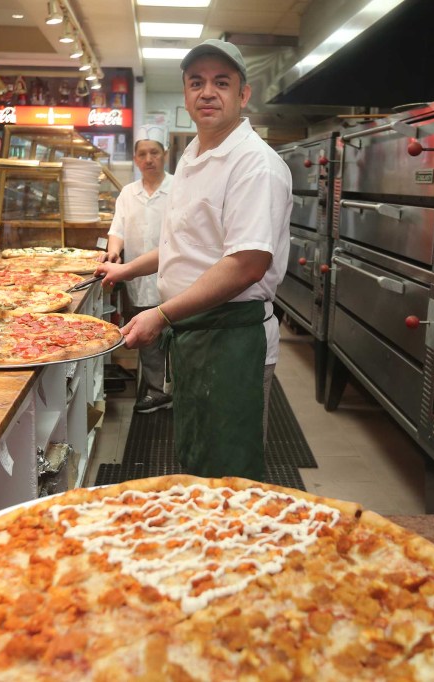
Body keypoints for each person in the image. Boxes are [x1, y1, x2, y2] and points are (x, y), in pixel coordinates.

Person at [96, 39, 293, 480]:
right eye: (197, 82)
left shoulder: (254, 165)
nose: (208, 92)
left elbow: (246, 264)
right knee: (197, 461)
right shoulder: (192, 157)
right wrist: (126, 268)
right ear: (185, 95)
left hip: (232, 341)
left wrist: (161, 314)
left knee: (230, 476)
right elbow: (186, 243)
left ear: (243, 95)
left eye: (221, 83)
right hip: (195, 337)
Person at [100, 124, 174, 414]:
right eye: (142, 153)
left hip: (172, 275)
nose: (148, 158)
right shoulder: (128, 193)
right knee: (148, 336)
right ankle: (157, 391)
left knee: (175, 334)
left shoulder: (177, 188)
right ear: (135, 159)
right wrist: (113, 252)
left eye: (154, 152)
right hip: (135, 276)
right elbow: (117, 228)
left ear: (164, 155)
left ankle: (174, 387)